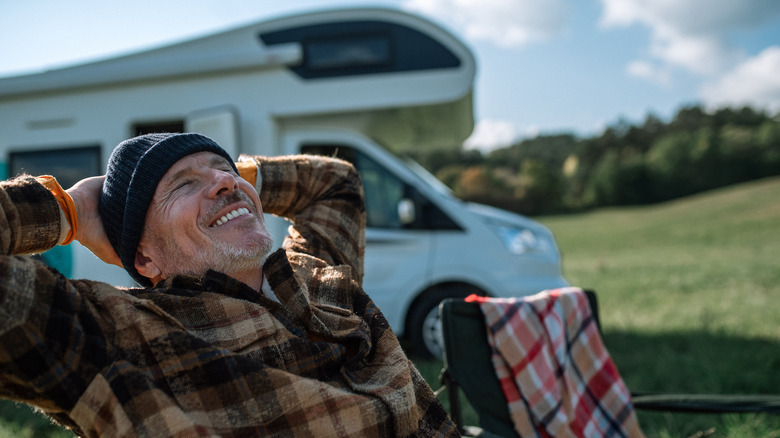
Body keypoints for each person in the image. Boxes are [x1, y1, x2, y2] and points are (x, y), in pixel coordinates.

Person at [0, 133, 459, 437]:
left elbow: (335, 184)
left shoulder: (316, 277)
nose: (224, 181)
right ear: (144, 257)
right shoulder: (118, 336)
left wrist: (240, 180)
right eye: (182, 184)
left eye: (226, 170)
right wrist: (69, 210)